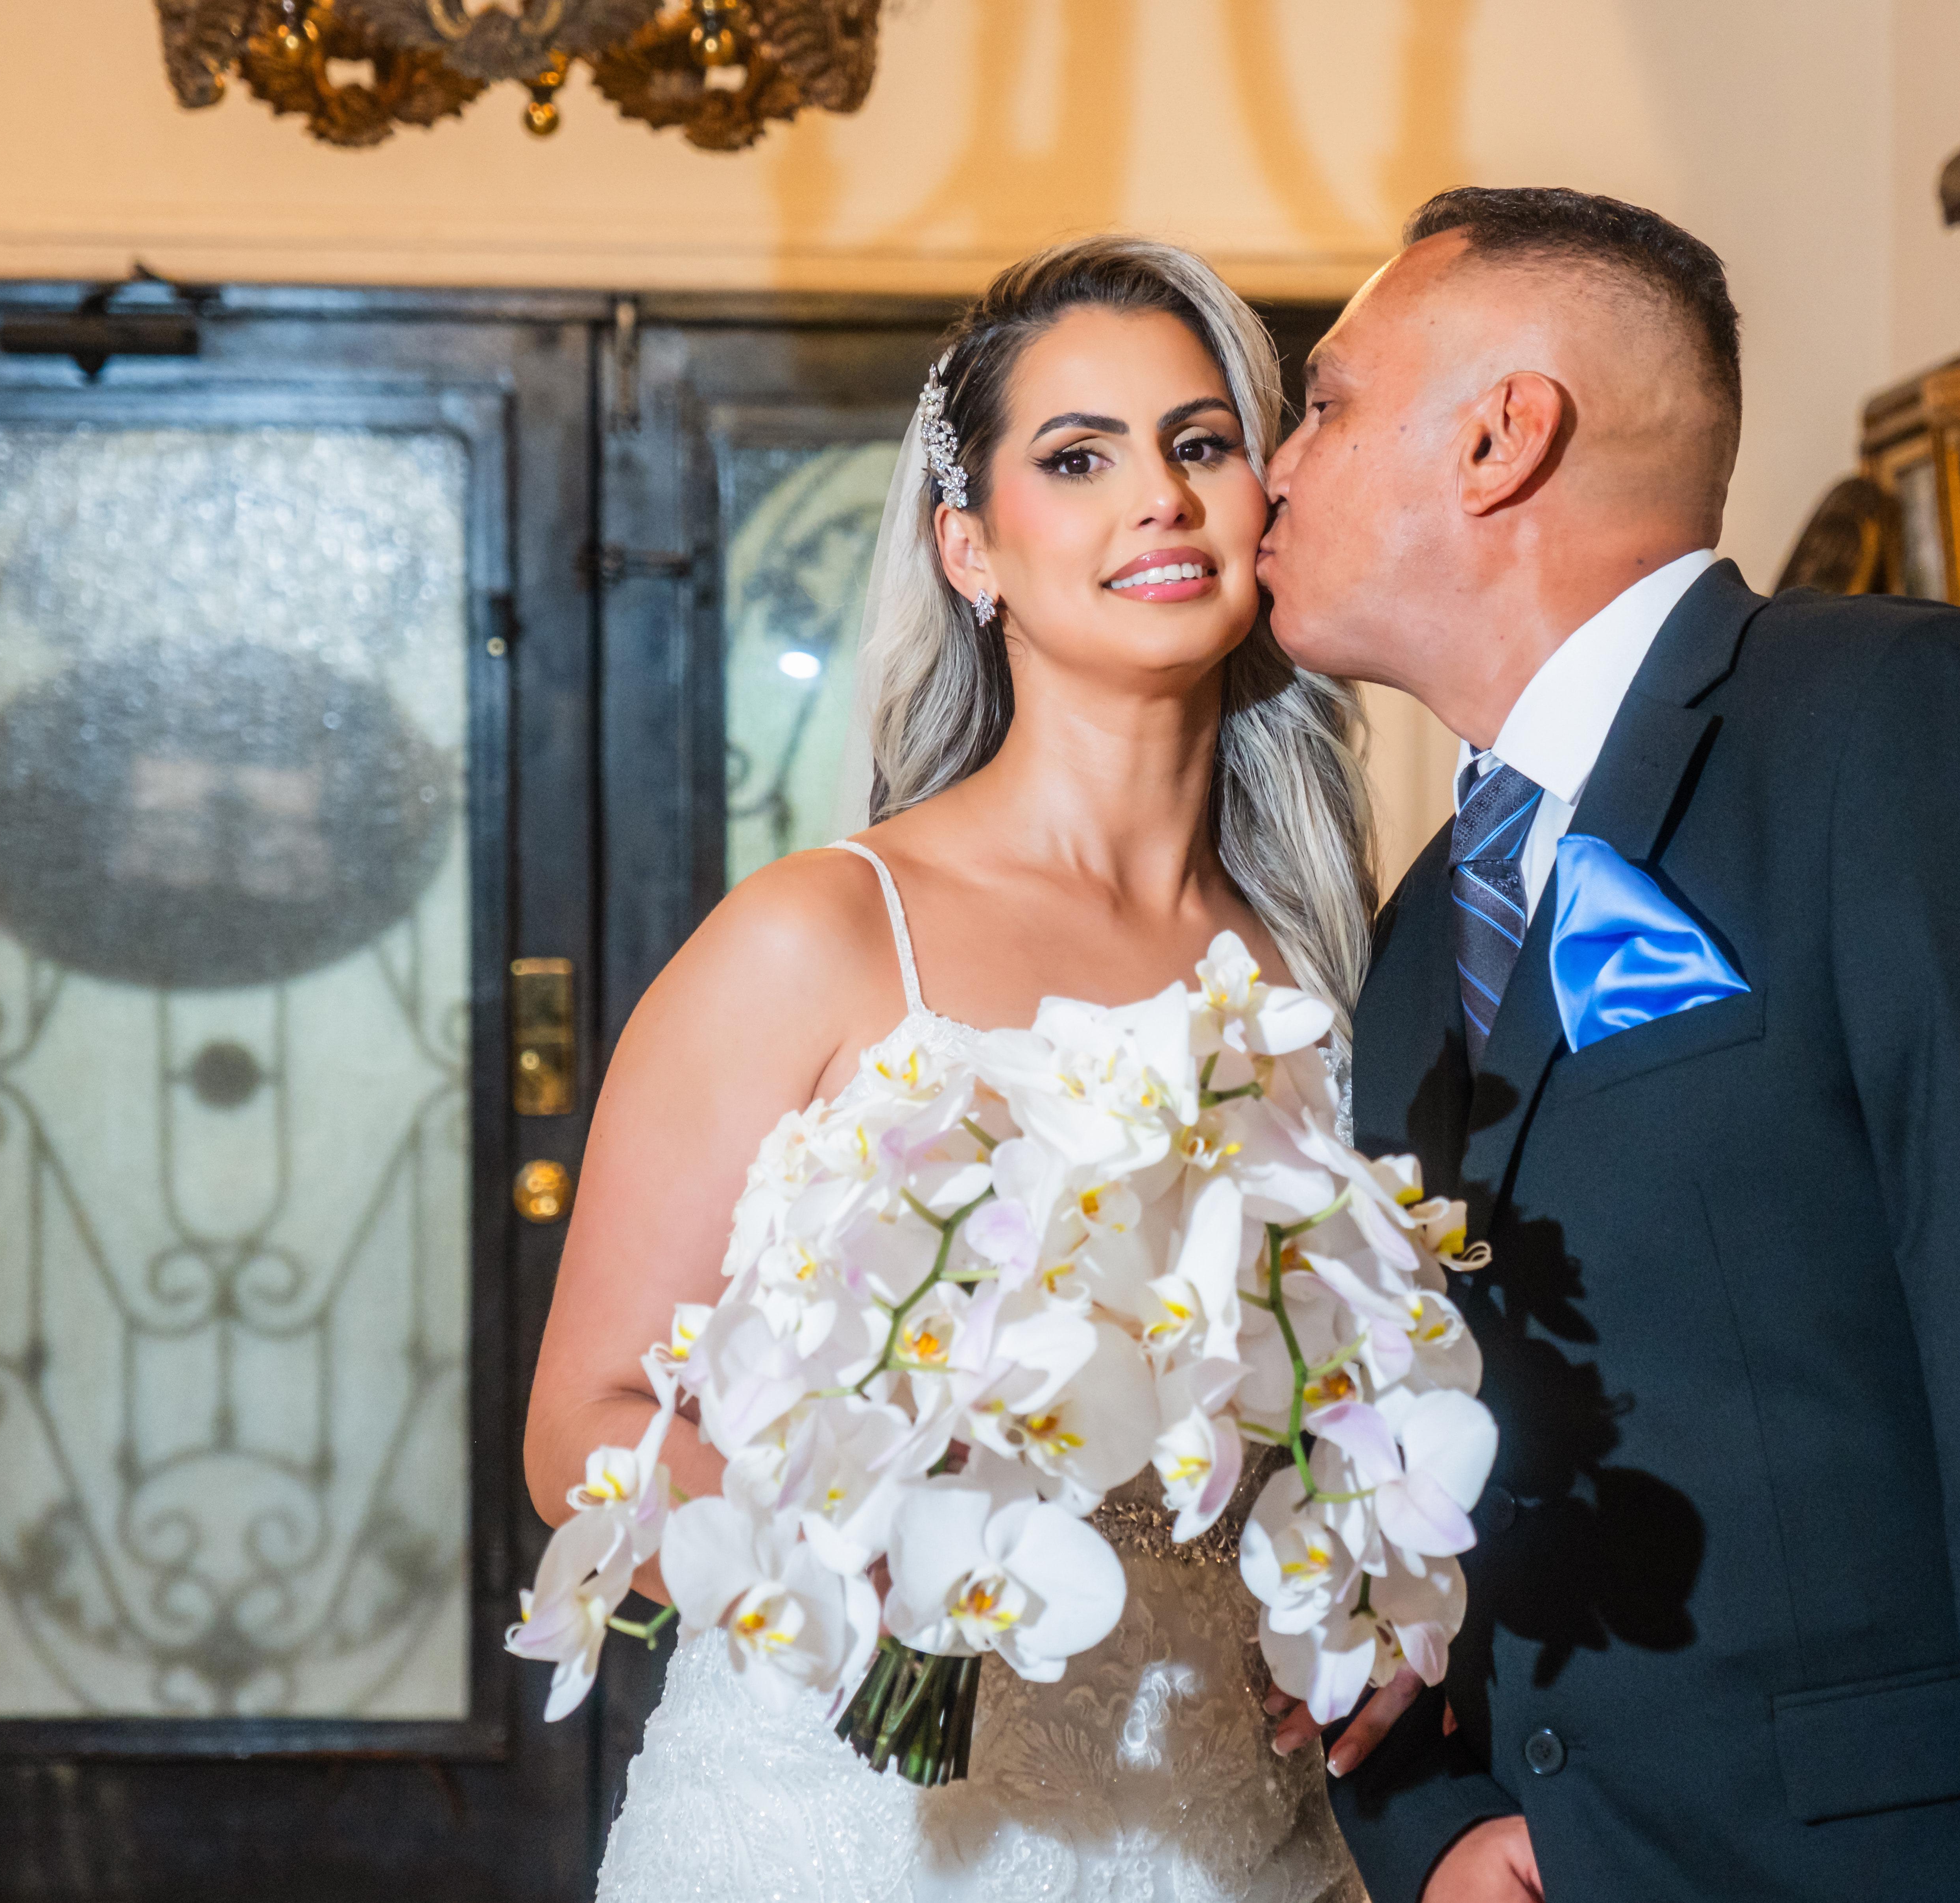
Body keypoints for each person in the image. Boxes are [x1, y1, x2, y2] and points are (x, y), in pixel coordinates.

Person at [1255, 186, 1960, 1903]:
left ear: (1499, 437)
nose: (1271, 469)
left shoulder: (1901, 728)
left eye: (1322, 405)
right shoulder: (1413, 939)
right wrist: (1436, 1826)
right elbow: (1422, 1463)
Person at [524, 235, 1373, 1903]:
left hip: (1232, 1844)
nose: (1161, 498)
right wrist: (842, 1562)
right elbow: (586, 1429)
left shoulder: (1323, 970)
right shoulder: (823, 936)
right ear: (968, 544)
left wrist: (1368, 1605)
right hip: (843, 1837)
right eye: (1079, 458)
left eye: (1202, 444)